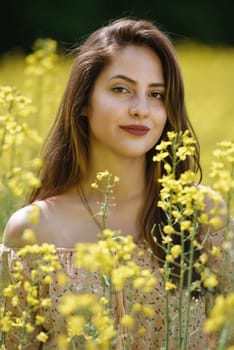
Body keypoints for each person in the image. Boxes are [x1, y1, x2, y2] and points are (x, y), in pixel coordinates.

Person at [0, 18, 232, 349]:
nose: (140, 109)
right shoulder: (34, 230)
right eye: (121, 89)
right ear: (83, 102)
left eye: (156, 94)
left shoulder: (201, 215)